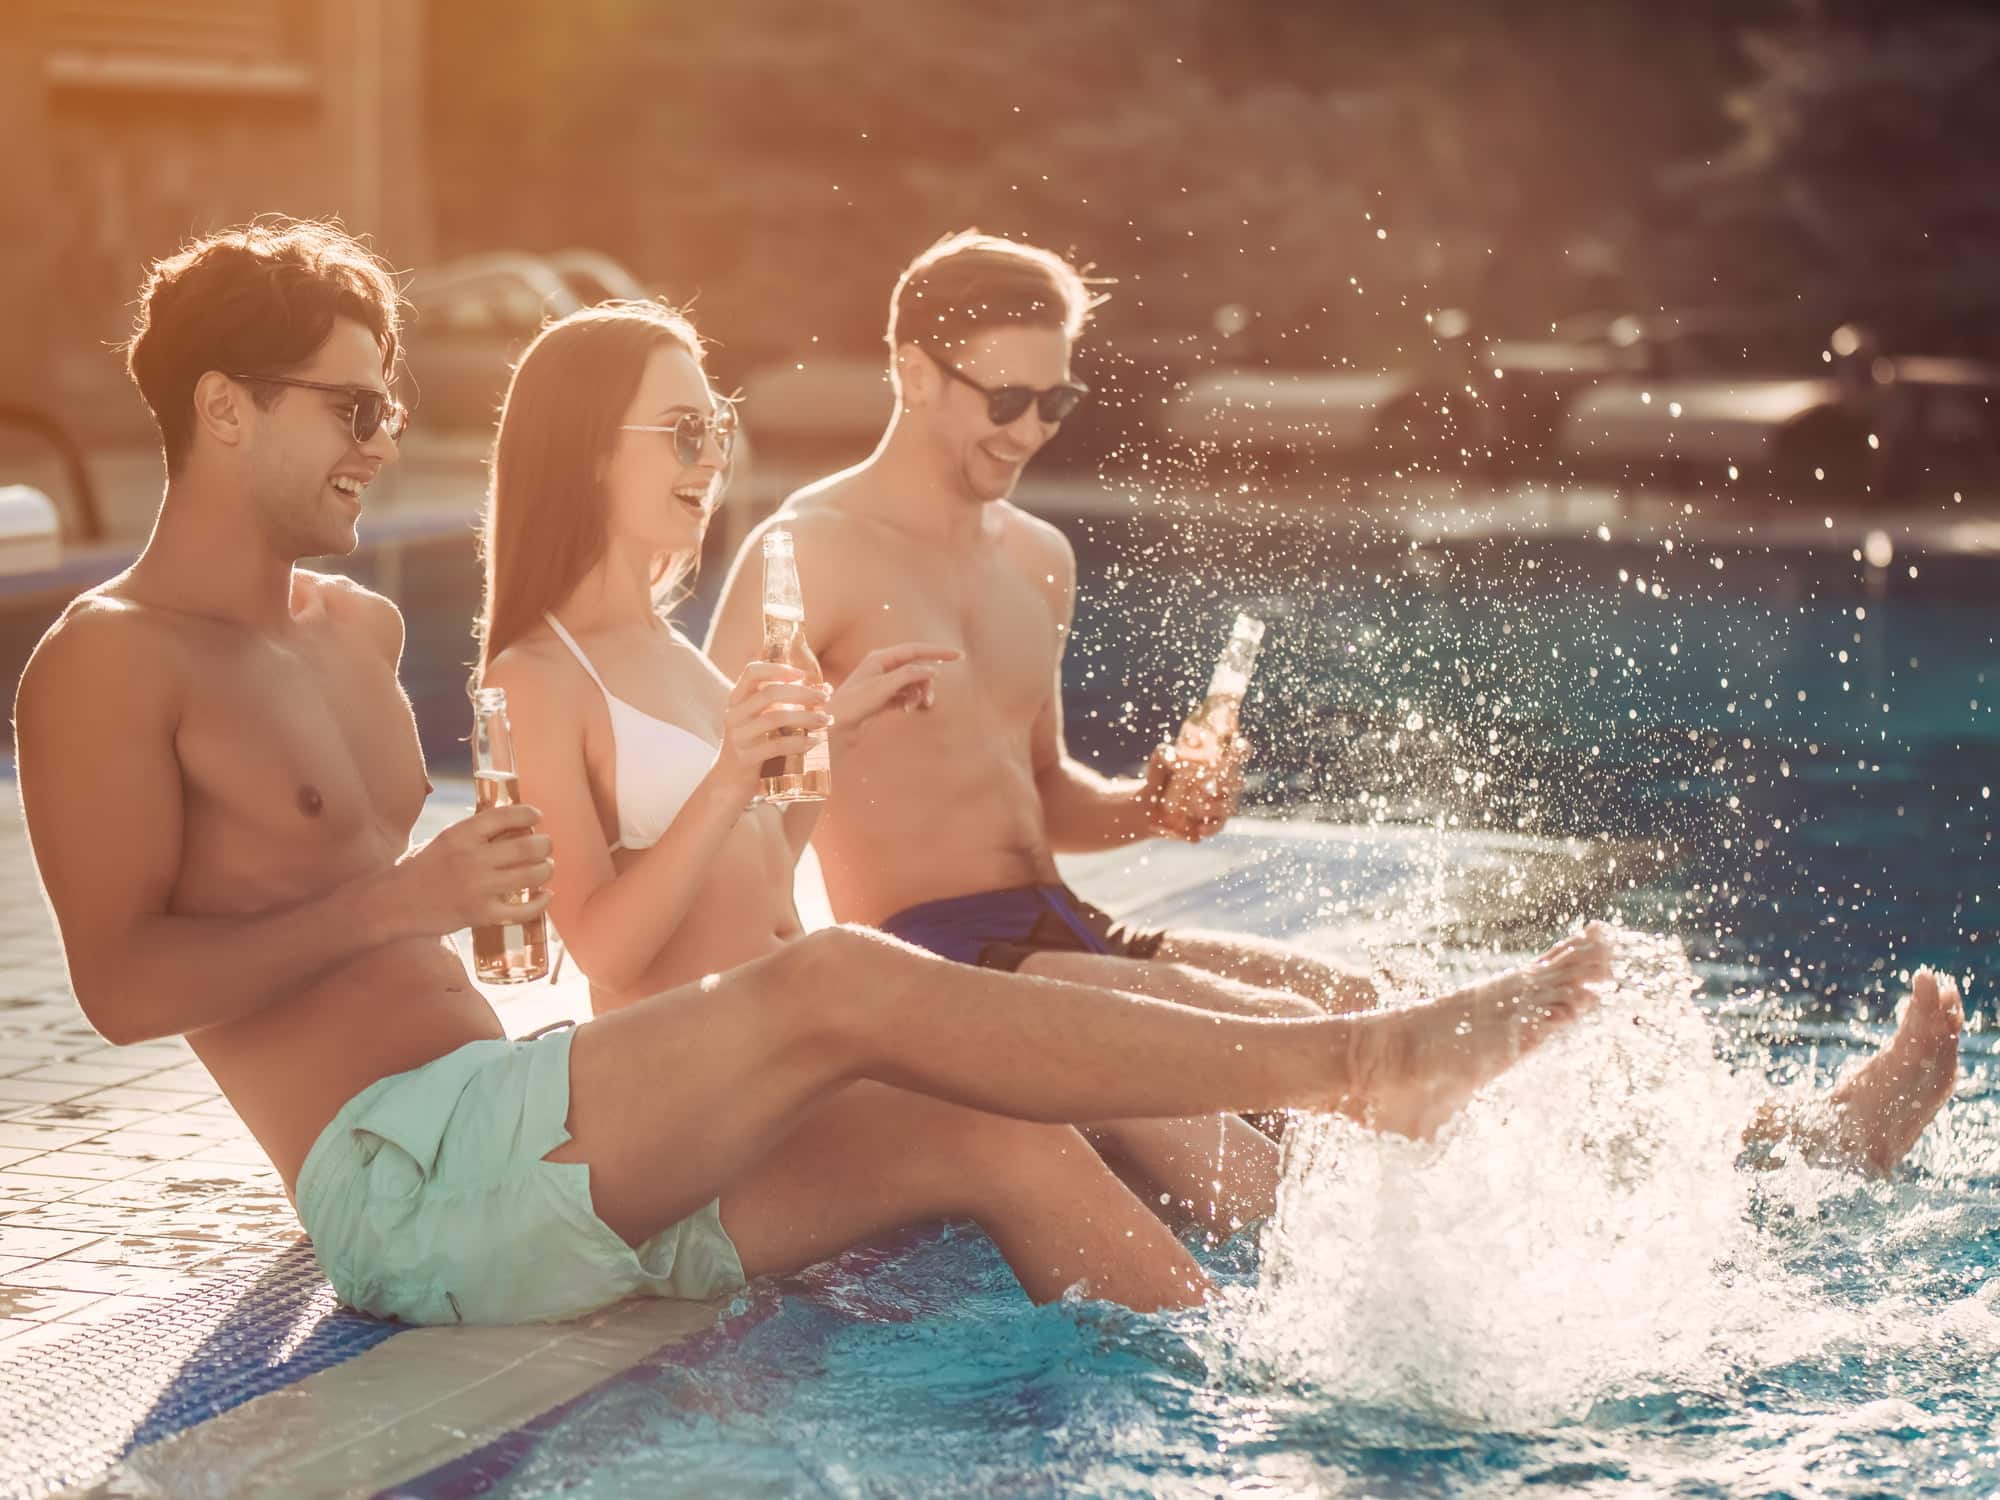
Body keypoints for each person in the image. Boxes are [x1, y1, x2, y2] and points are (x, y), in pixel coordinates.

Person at [13, 223, 1616, 1327]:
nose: (381, 437)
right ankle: (1357, 1067)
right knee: (843, 981)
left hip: (536, 1136)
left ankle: (1230, 1405)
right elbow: (122, 989)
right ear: (222, 410)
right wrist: (412, 897)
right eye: (351, 406)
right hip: (397, 1186)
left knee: (994, 1141)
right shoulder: (108, 660)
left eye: (395, 404)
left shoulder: (354, 628)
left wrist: (790, 775)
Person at [704, 229, 1965, 1177]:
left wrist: (1153, 804)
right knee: (1303, 1049)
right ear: (911, 374)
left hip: (1062, 925)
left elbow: (1041, 798)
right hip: (938, 962)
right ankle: (1624, 1184)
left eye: (1059, 399)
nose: (1032, 429)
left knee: (1371, 996)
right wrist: (822, 736)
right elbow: (712, 811)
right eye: (1005, 398)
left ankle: (1785, 1139)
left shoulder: (1037, 555)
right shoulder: (806, 551)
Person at [476, 300, 1632, 1248]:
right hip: (829, 1015)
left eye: (714, 427)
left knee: (1316, 998)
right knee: (1132, 1066)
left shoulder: (996, 569)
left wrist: (843, 743)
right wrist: (752, 767)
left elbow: (772, 870)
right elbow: (617, 946)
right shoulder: (648, 625)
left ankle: (1514, 1219)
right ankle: (1349, 1242)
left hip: (923, 981)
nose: (711, 457)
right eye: (680, 432)